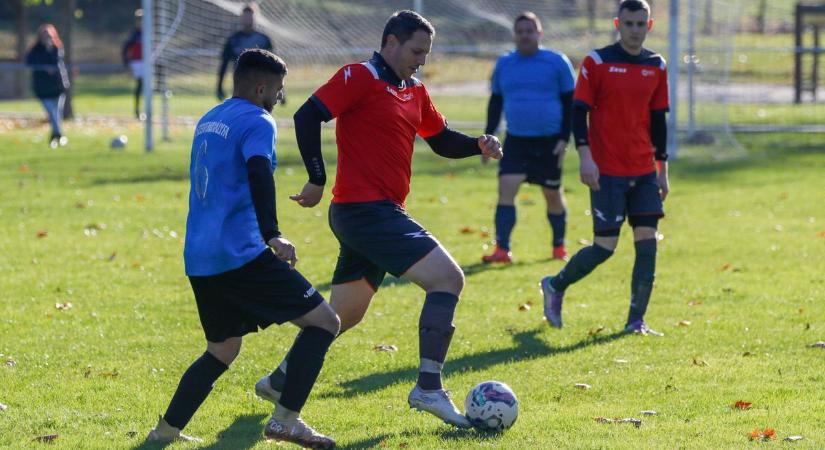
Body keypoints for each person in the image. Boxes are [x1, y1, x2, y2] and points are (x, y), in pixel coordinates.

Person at [252, 10, 503, 429]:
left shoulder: (414, 90)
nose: (421, 59)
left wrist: (477, 144)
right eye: (415, 50)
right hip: (364, 212)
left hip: (379, 213)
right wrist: (317, 178)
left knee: (342, 315)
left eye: (426, 52)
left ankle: (281, 380)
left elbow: (439, 140)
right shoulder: (359, 76)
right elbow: (307, 115)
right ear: (391, 42)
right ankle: (428, 386)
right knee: (448, 279)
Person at [145, 49, 339, 449]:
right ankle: (286, 420)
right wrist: (273, 234)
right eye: (279, 91)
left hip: (200, 256)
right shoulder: (258, 120)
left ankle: (163, 432)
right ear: (261, 87)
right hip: (240, 255)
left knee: (222, 349)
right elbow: (257, 174)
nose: (279, 100)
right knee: (324, 322)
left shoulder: (210, 119)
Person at [540, 0, 670, 336]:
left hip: (643, 170)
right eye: (629, 24)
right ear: (617, 24)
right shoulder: (597, 62)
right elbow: (578, 111)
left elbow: (658, 121)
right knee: (605, 248)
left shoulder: (656, 64)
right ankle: (555, 284)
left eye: (641, 24)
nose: (635, 30)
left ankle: (635, 322)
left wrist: (662, 168)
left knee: (648, 243)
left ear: (650, 25)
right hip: (606, 169)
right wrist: (585, 156)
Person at [482, 11, 576, 264]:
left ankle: (559, 247)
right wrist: (488, 137)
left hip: (550, 141)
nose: (525, 36)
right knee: (506, 189)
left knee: (552, 194)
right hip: (516, 140)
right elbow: (496, 102)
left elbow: (571, 104)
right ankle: (503, 250)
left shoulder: (557, 62)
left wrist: (564, 138)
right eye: (520, 31)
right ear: (514, 35)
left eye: (530, 31)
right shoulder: (504, 64)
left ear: (539, 34)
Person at [25, 24, 70, 149]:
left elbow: (57, 63)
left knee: (57, 113)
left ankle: (55, 136)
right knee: (51, 112)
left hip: (58, 86)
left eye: (49, 36)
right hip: (42, 88)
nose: (47, 38)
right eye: (45, 35)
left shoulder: (56, 48)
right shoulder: (35, 50)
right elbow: (29, 61)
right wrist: (44, 67)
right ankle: (59, 135)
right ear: (40, 37)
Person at [216, 4, 273, 101]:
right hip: (240, 86)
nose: (248, 19)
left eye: (250, 16)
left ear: (256, 18)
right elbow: (224, 64)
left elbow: (274, 66)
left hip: (261, 84)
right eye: (245, 16)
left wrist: (280, 90)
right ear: (241, 18)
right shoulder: (233, 39)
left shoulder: (264, 39)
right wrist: (219, 87)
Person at [121, 9, 144, 120]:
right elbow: (126, 47)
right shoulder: (135, 34)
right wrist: (125, 61)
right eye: (139, 20)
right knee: (141, 83)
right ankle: (137, 110)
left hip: (146, 62)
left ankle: (142, 110)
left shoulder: (148, 33)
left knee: (144, 85)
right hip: (137, 62)